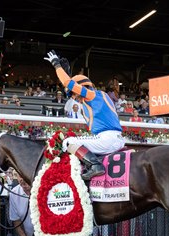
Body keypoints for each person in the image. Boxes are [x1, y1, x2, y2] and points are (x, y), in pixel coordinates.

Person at [44, 50, 125, 180]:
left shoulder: (92, 95)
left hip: (108, 139)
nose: (73, 97)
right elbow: (69, 86)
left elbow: (68, 84)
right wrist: (68, 76)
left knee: (69, 142)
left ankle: (95, 166)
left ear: (82, 88)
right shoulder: (97, 97)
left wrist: (56, 65)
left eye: (74, 94)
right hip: (112, 138)